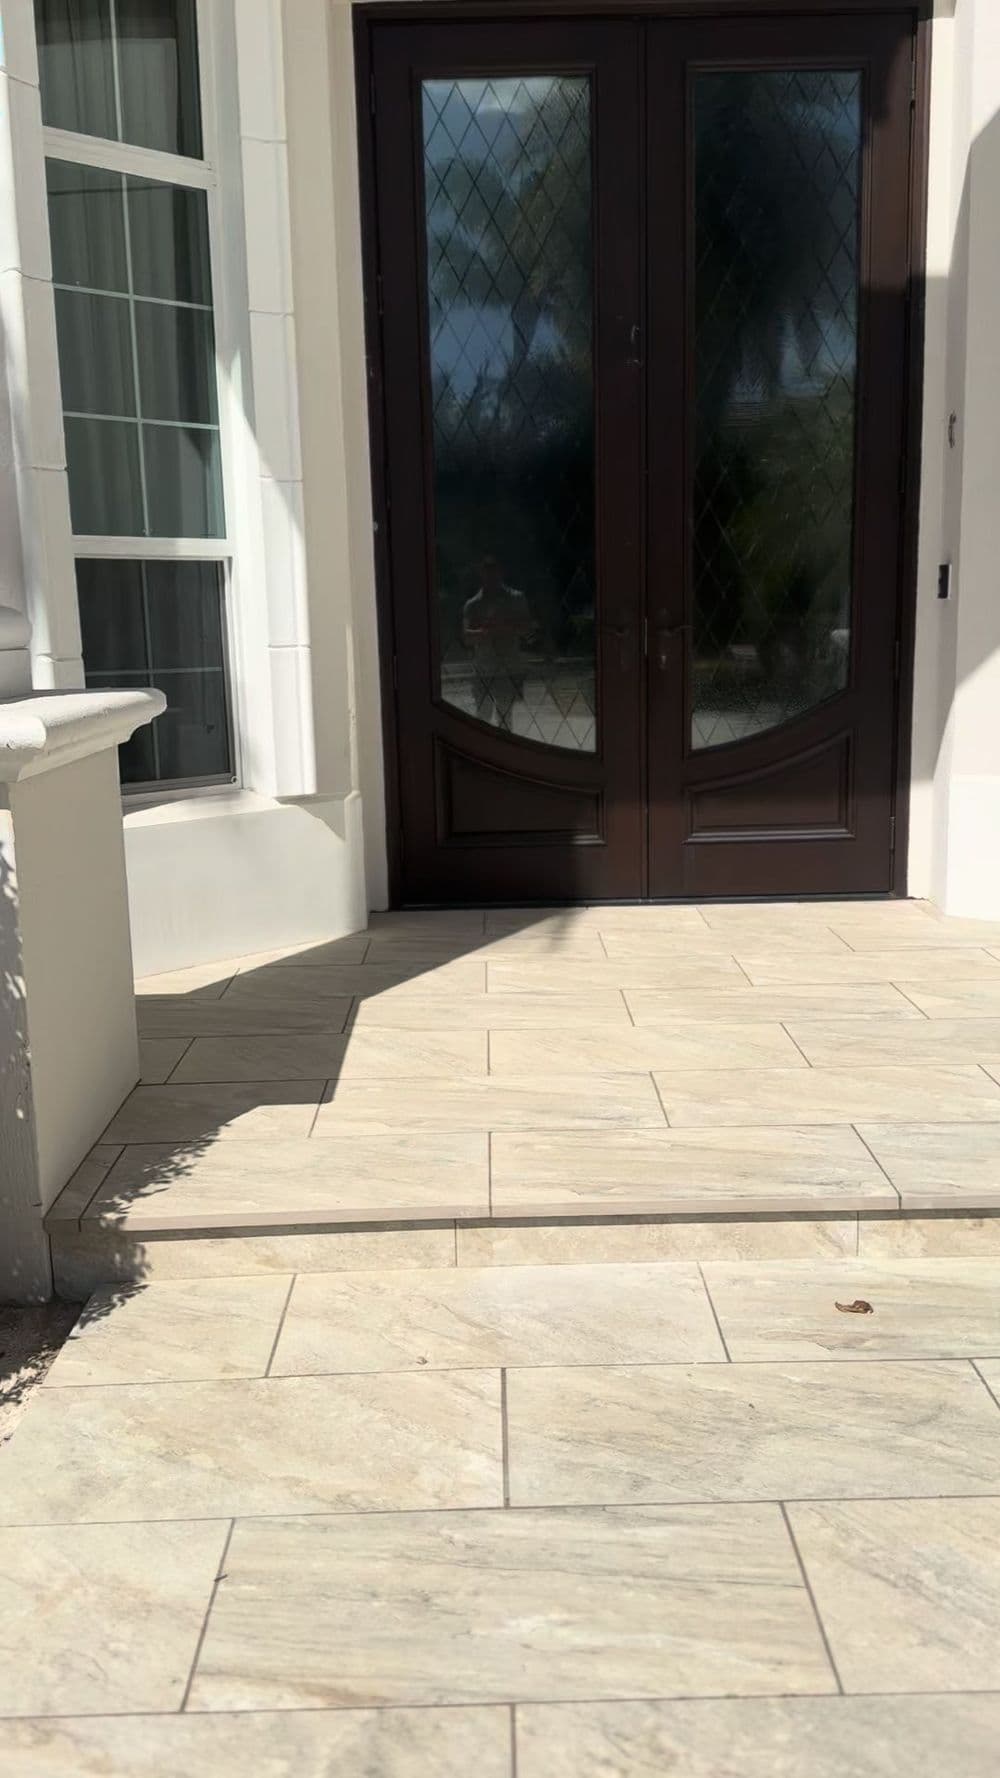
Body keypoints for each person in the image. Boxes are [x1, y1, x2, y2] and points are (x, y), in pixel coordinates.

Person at [462, 557, 534, 732]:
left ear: (501, 573)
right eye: (487, 573)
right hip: (484, 668)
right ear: (481, 575)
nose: (491, 577)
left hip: (507, 668)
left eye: (494, 572)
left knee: (505, 716)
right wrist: (486, 632)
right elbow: (466, 637)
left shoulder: (516, 599)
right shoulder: (472, 604)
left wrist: (505, 628)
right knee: (483, 717)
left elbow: (527, 629)